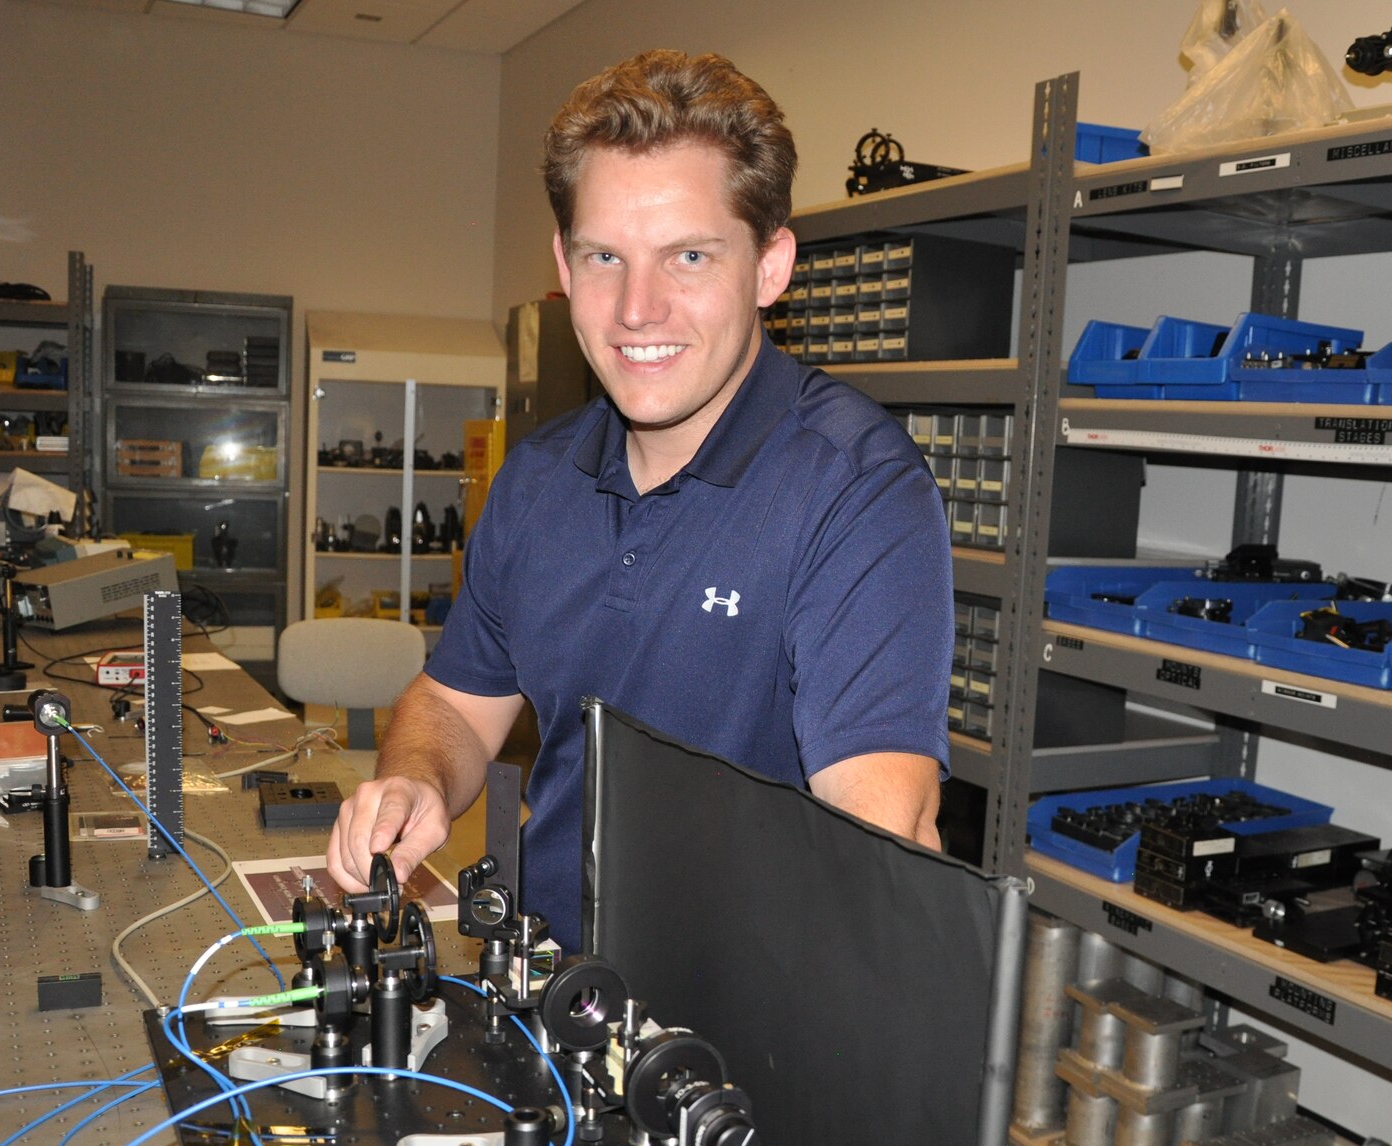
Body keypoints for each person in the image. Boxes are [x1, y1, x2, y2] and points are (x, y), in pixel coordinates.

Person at [325, 49, 954, 945]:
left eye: (689, 256)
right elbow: (458, 701)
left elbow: (881, 835)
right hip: (551, 984)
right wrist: (417, 781)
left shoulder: (855, 493)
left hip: (734, 1029)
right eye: (604, 257)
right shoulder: (538, 481)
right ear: (563, 263)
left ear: (771, 267)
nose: (636, 308)